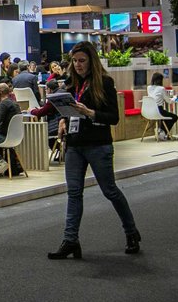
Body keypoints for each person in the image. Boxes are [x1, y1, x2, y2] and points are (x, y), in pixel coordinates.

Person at [48, 41, 140, 259]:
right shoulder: (71, 84)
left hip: (98, 144)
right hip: (74, 144)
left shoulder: (105, 83)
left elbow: (114, 118)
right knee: (74, 193)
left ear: (91, 61)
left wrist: (89, 112)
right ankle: (70, 240)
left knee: (110, 190)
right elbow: (68, 110)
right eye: (74, 61)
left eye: (82, 61)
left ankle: (131, 232)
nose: (78, 65)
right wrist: (63, 119)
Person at [147, 73, 177, 140]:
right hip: (159, 111)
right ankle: (162, 133)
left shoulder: (148, 88)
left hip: (149, 111)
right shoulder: (161, 88)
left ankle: (161, 132)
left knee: (165, 116)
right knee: (174, 117)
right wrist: (175, 98)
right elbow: (169, 101)